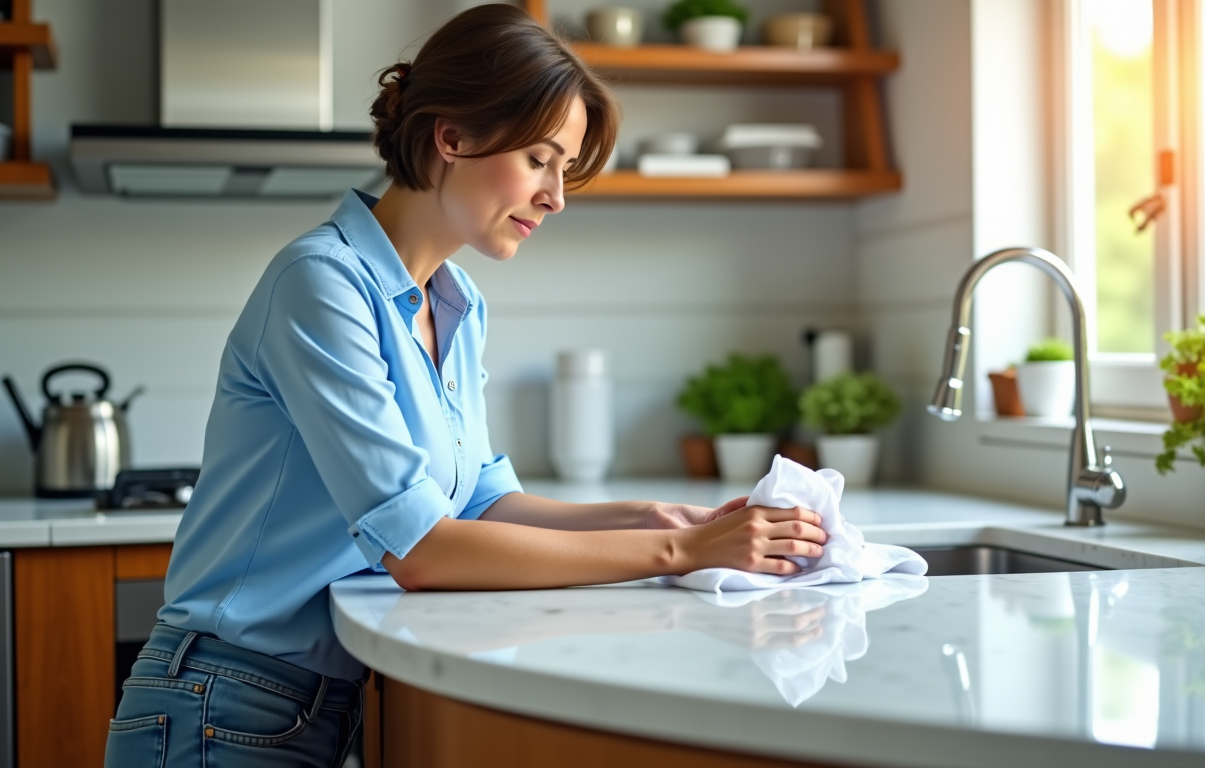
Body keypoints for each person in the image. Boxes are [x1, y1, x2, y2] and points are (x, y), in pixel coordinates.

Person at [104, 5, 826, 766]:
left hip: (310, 703)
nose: (556, 196)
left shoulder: (455, 302)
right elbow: (422, 549)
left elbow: (480, 501)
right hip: (221, 699)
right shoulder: (321, 284)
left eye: (564, 170)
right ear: (453, 138)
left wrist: (654, 515)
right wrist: (678, 550)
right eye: (542, 160)